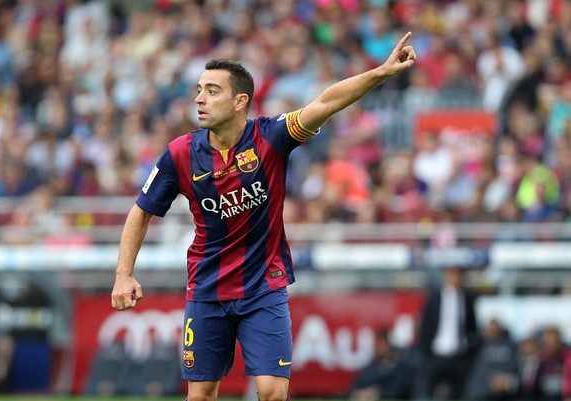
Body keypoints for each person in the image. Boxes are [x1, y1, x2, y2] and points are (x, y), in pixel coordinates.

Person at [111, 32, 416, 401]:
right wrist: (124, 274)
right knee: (201, 395)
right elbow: (140, 212)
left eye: (211, 90)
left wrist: (381, 73)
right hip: (207, 289)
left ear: (240, 101)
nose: (199, 98)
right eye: (199, 89)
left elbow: (326, 102)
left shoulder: (270, 137)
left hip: (263, 289)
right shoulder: (180, 153)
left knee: (272, 392)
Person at [416, 267, 480, 400]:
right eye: (452, 275)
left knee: (457, 394)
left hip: (459, 356)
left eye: (458, 275)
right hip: (436, 355)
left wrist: (470, 353)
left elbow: (472, 328)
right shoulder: (434, 298)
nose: (455, 279)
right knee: (428, 392)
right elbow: (425, 327)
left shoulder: (467, 299)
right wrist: (425, 354)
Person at [348, 330, 413, 401]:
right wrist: (361, 392)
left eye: (383, 344)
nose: (380, 347)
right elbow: (359, 383)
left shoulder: (401, 365)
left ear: (389, 344)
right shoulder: (374, 363)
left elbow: (399, 389)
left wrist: (378, 392)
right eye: (378, 344)